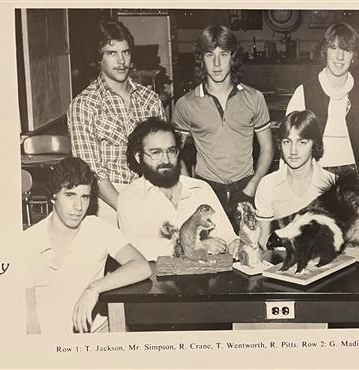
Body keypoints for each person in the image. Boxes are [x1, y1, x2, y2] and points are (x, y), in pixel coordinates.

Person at [24, 157, 151, 334]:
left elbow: (142, 267)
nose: (78, 206)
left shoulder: (98, 229)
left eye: (85, 197)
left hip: (97, 334)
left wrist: (94, 288)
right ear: (53, 196)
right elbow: (29, 315)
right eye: (70, 195)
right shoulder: (27, 242)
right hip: (50, 340)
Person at [68, 18, 166, 225]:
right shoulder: (84, 105)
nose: (121, 61)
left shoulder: (150, 99)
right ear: (98, 58)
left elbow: (165, 155)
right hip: (108, 202)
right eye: (111, 53)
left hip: (151, 192)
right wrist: (128, 209)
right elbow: (91, 171)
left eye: (126, 52)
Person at [171, 25, 274, 223]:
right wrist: (191, 188)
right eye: (210, 55)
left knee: (247, 250)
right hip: (206, 190)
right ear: (202, 59)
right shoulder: (186, 104)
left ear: (233, 57)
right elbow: (174, 153)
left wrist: (252, 185)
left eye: (223, 54)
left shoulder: (254, 98)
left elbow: (268, 148)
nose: (217, 63)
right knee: (209, 251)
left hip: (246, 187)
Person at [117, 117, 239, 261]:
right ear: (139, 157)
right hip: (157, 279)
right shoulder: (130, 197)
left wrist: (235, 244)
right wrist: (196, 246)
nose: (166, 160)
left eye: (171, 151)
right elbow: (135, 250)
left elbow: (227, 235)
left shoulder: (200, 189)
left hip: (204, 277)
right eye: (156, 153)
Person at [286, 22, 359, 182]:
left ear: (354, 56)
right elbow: (288, 144)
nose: (340, 57)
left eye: (347, 50)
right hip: (313, 175)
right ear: (325, 51)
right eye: (334, 48)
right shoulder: (303, 92)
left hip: (354, 176)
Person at [254, 110, 336, 248]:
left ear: (314, 144)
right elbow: (263, 242)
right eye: (287, 142)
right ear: (280, 144)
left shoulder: (333, 185)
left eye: (302, 142)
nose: (293, 151)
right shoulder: (268, 184)